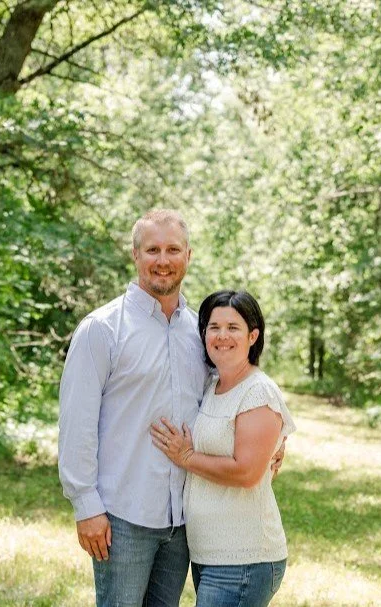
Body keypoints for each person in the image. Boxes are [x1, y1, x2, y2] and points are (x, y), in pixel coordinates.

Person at [59, 210, 285, 606]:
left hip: (183, 522)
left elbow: (233, 395)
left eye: (173, 250)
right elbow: (76, 424)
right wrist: (85, 505)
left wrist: (272, 442)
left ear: (188, 256)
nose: (162, 260)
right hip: (122, 516)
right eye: (152, 250)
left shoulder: (198, 333)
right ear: (135, 255)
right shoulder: (102, 329)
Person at [151, 290, 296, 607]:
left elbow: (246, 472)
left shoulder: (257, 391)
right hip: (210, 555)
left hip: (245, 559)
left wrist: (186, 457)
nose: (222, 336)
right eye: (214, 327)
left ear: (253, 335)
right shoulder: (213, 385)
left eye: (233, 327)